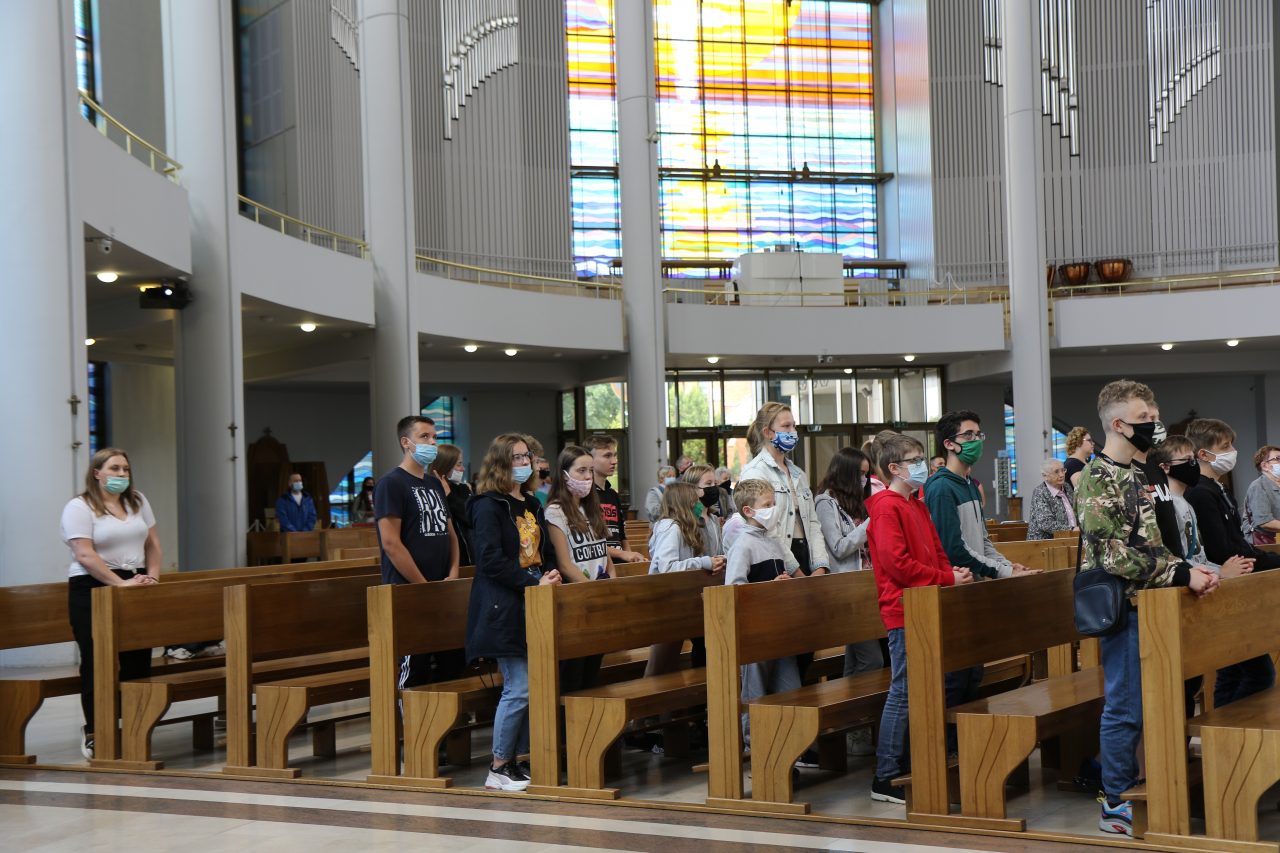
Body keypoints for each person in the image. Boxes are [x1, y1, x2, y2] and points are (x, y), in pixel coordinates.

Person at [1077, 380, 1216, 838]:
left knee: (1157, 702)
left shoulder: (1145, 471)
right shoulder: (1098, 477)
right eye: (1144, 418)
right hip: (1125, 607)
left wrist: (1191, 567)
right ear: (1118, 424)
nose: (1153, 423)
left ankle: (1155, 781)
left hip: (1157, 604)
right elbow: (1113, 555)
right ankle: (1115, 798)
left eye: (1154, 415)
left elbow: (1160, 542)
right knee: (1125, 706)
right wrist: (1179, 573)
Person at [866, 433, 973, 804]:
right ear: (894, 468)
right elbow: (896, 564)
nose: (922, 465)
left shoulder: (916, 503)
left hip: (927, 603)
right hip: (903, 608)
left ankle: (916, 761)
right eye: (914, 460)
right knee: (905, 690)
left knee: (925, 686)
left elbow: (937, 550)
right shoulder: (886, 507)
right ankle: (886, 775)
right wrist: (946, 578)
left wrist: (951, 573)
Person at [465, 433, 562, 792]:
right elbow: (490, 560)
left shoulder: (532, 503)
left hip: (535, 597)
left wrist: (549, 573)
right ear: (500, 464)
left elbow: (543, 550)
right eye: (516, 458)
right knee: (518, 686)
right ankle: (498, 765)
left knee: (533, 684)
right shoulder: (487, 505)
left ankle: (519, 759)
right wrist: (531, 583)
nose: (524, 463)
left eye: (527, 457)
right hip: (503, 604)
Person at [924, 411, 1037, 710]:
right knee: (955, 680)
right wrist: (1003, 572)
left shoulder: (969, 484)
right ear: (949, 444)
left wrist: (1009, 566)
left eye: (978, 435)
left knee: (973, 674)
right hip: (955, 591)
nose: (976, 441)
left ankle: (964, 737)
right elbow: (954, 549)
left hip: (974, 589)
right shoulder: (941, 487)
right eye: (969, 435)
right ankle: (946, 738)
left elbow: (983, 540)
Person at [61, 447, 161, 760]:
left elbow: (153, 543)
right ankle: (96, 730)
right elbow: (84, 553)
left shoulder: (137, 501)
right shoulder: (79, 506)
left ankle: (134, 727)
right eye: (114, 468)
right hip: (92, 585)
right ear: (97, 473)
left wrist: (153, 577)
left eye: (125, 469)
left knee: (138, 658)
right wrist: (119, 584)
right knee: (98, 660)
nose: (121, 474)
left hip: (136, 581)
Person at [1183, 417, 1280, 708]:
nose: (1233, 451)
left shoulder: (1217, 488)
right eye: (1225, 446)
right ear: (1203, 454)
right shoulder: (1200, 492)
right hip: (1224, 585)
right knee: (1258, 673)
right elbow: (1224, 550)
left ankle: (1223, 730)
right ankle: (1228, 725)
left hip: (1236, 581)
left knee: (1233, 670)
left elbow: (1238, 542)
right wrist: (1270, 561)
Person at [374, 416, 464, 690]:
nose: (432, 443)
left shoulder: (434, 484)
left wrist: (453, 572)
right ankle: (408, 718)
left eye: (434, 437)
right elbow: (391, 543)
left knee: (451, 665)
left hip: (442, 587)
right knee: (415, 668)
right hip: (410, 591)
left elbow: (450, 534)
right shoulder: (391, 483)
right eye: (424, 437)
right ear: (406, 442)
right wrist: (423, 586)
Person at [814, 446, 882, 757]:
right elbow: (839, 547)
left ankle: (852, 728)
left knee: (857, 661)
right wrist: (870, 524)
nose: (864, 480)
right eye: (860, 474)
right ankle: (854, 727)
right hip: (848, 590)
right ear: (845, 473)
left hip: (870, 587)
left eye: (867, 474)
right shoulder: (826, 502)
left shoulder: (858, 500)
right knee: (871, 660)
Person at [724, 478, 800, 744]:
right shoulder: (743, 545)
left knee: (792, 691)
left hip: (780, 628)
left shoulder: (773, 540)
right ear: (748, 511)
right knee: (754, 693)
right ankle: (752, 744)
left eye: (774, 503)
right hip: (755, 633)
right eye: (767, 505)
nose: (773, 509)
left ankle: (789, 744)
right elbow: (733, 590)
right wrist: (770, 587)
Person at [544, 444, 613, 692]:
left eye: (590, 471)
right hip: (576, 599)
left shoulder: (591, 508)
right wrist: (592, 590)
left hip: (599, 596)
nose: (587, 477)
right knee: (573, 674)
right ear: (564, 474)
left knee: (593, 669)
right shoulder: (555, 512)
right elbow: (564, 563)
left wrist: (611, 583)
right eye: (581, 471)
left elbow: (604, 553)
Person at [738, 402, 831, 577]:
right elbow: (767, 528)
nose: (793, 431)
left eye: (794, 425)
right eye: (786, 426)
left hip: (806, 553)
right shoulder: (756, 471)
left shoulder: (798, 473)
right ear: (767, 432)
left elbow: (812, 522)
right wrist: (794, 570)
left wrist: (820, 565)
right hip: (777, 560)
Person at [585, 435, 646, 563]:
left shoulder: (612, 494)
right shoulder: (585, 494)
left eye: (615, 455)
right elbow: (588, 542)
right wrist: (623, 554)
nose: (614, 461)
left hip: (620, 560)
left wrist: (631, 558)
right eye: (607, 456)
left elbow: (622, 535)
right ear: (590, 459)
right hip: (598, 562)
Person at [428, 443, 474, 567]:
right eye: (459, 464)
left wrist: (450, 496)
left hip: (467, 556)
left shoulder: (463, 489)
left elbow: (471, 518)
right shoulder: (429, 490)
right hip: (442, 559)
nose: (463, 469)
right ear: (445, 466)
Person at [1027, 457, 1078, 540]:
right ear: (1045, 476)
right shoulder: (1040, 492)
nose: (1061, 475)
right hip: (1045, 543)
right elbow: (1045, 523)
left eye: (1063, 470)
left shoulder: (1067, 487)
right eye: (1056, 472)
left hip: (1070, 538)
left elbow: (1076, 510)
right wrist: (1071, 529)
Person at [1242, 444, 1280, 546]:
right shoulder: (1258, 486)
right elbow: (1265, 522)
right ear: (1264, 466)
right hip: (1265, 543)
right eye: (1278, 459)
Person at [1063, 426, 1095, 490]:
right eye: (1089, 440)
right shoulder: (1073, 464)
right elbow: (1083, 491)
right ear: (1078, 442)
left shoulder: (1078, 463)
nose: (1093, 443)